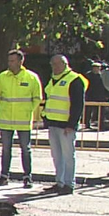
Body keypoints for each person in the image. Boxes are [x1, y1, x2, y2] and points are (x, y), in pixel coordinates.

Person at [0, 49, 43, 188]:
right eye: (9, 61)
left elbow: (37, 98)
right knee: (6, 149)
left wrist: (27, 110)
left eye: (13, 61)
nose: (10, 63)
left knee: (26, 149)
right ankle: (4, 176)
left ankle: (27, 176)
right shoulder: (2, 77)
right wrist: (4, 107)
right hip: (6, 119)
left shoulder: (31, 77)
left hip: (23, 120)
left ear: (21, 62)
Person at [42, 54, 87, 195]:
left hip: (66, 126)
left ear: (64, 64)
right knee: (57, 156)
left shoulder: (74, 80)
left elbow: (78, 104)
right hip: (54, 123)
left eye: (56, 64)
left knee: (68, 156)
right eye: (52, 64)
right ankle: (59, 182)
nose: (54, 67)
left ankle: (69, 184)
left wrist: (72, 124)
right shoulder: (53, 80)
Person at [82, 61, 109, 130]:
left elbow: (105, 85)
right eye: (94, 67)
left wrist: (107, 95)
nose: (96, 69)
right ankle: (87, 124)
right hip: (90, 96)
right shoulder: (88, 76)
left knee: (101, 112)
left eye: (97, 68)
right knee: (89, 111)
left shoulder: (102, 76)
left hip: (100, 96)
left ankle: (101, 125)